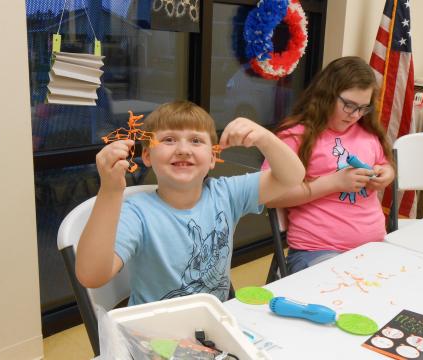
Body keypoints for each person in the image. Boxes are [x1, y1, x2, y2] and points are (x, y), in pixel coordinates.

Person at [76, 100, 305, 305]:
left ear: (213, 157)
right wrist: (109, 190)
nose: (183, 150)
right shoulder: (137, 212)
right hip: (155, 333)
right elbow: (92, 276)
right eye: (168, 140)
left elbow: (292, 177)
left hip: (212, 322)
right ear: (147, 156)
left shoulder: (226, 193)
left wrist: (265, 138)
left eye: (196, 141)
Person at [263, 56, 395, 274]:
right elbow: (269, 195)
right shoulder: (296, 136)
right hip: (317, 250)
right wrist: (333, 183)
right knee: (346, 291)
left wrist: (385, 174)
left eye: (363, 108)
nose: (355, 115)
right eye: (349, 105)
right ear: (327, 95)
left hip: (373, 246)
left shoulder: (367, 134)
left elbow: (384, 163)